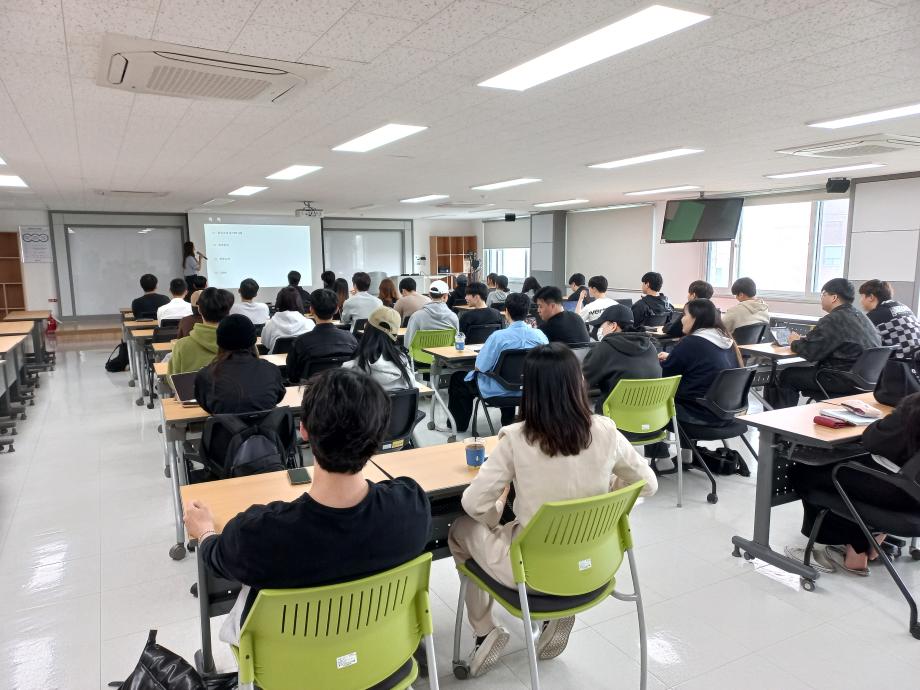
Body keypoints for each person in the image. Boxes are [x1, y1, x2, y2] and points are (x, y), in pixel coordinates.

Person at [448, 343, 658, 677]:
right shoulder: (606, 430)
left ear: (529, 390)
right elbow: (648, 484)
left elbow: (473, 504)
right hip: (596, 565)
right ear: (578, 383)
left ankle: (485, 630)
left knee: (461, 529)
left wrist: (497, 510)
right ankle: (555, 615)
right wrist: (608, 493)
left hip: (531, 574)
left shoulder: (516, 438)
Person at [183, 368, 432, 645]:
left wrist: (205, 531)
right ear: (380, 436)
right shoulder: (412, 507)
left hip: (290, 664)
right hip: (382, 651)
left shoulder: (257, 534)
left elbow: (215, 558)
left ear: (303, 430)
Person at [787, 392, 920, 575]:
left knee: (806, 473)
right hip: (914, 498)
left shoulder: (915, 407)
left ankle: (856, 552)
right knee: (854, 476)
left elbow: (872, 440)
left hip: (896, 493)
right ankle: (872, 543)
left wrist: (885, 420)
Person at [773, 278, 882, 408]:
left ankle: (777, 419)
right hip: (865, 381)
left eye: (823, 294)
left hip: (840, 378)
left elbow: (811, 352)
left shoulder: (833, 319)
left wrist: (794, 341)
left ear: (834, 297)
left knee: (787, 375)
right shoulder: (862, 317)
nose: (821, 298)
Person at [447, 293, 547, 432]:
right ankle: (508, 420)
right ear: (528, 312)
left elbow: (480, 367)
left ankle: (459, 426)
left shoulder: (498, 337)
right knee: (510, 377)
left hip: (498, 392)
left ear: (506, 311)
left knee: (458, 378)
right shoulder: (540, 336)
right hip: (531, 390)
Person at [659, 299, 741, 426]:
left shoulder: (690, 343)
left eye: (684, 315)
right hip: (725, 413)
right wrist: (673, 356)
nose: (681, 320)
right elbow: (705, 363)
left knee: (646, 404)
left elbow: (666, 380)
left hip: (695, 413)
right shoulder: (727, 341)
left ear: (696, 318)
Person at [194, 314, 285, 414]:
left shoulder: (205, 376)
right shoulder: (271, 370)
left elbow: (207, 407)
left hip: (224, 424)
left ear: (219, 342)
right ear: (253, 341)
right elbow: (278, 398)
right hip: (268, 424)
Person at [583, 304, 661, 413]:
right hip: (652, 418)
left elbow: (580, 381)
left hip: (614, 420)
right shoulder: (650, 346)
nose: (600, 330)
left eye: (601, 325)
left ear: (613, 326)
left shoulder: (604, 348)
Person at [286, 289, 358, 383]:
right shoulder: (351, 339)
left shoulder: (300, 342)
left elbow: (292, 375)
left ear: (311, 310)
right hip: (344, 389)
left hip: (311, 390)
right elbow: (356, 369)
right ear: (337, 309)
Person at [343, 307, 419, 391]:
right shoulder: (402, 362)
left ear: (367, 329)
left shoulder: (351, 368)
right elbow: (413, 388)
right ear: (394, 336)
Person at [168, 287, 233, 374]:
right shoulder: (241, 344)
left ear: (199, 310)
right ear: (228, 312)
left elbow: (172, 378)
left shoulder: (182, 346)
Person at [859, 279, 920, 358]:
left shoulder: (876, 315)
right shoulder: (904, 307)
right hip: (915, 360)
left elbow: (859, 340)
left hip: (900, 361)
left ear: (871, 297)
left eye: (862, 297)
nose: (860, 301)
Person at [404, 280, 459, 351]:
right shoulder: (454, 317)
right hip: (445, 356)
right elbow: (457, 342)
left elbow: (408, 344)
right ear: (445, 296)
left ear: (429, 295)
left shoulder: (416, 316)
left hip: (421, 357)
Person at [261, 286, 313, 354]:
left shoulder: (270, 324)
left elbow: (265, 344)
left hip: (276, 360)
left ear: (279, 302)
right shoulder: (309, 323)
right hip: (302, 360)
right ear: (298, 302)